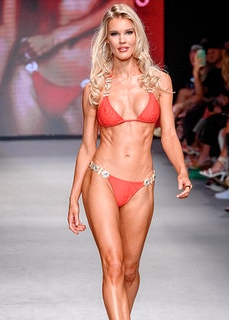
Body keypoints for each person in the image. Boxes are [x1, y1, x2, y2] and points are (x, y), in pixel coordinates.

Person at [66, 4, 192, 319]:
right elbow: (86, 146)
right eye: (115, 34)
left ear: (138, 36)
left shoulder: (160, 82)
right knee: (113, 264)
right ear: (106, 40)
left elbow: (169, 135)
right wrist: (73, 198)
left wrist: (182, 170)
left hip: (142, 185)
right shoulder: (95, 87)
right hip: (102, 180)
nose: (122, 40)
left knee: (131, 270)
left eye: (128, 32)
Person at [0, 0, 132, 136]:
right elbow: (6, 32)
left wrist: (55, 37)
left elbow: (123, 7)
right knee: (26, 160)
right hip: (32, 74)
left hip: (86, 82)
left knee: (90, 164)